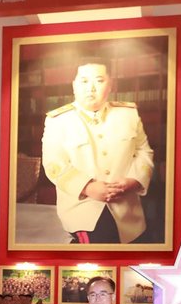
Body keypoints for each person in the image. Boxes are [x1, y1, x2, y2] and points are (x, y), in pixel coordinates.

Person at [41, 58, 154, 244]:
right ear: (74, 86)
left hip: (129, 214)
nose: (91, 88)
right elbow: (54, 163)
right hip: (83, 210)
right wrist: (87, 187)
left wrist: (133, 181)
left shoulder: (128, 114)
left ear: (111, 85)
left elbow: (144, 151)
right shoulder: (58, 121)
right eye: (84, 81)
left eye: (99, 81)